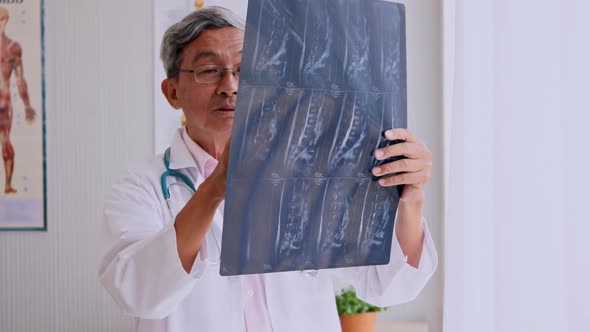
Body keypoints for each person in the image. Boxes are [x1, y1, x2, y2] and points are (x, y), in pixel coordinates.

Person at [99, 7, 437, 332]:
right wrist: (215, 187)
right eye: (208, 70)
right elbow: (137, 293)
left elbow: (388, 285)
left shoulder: (310, 174)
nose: (230, 86)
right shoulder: (142, 187)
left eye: (245, 70)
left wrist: (410, 195)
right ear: (172, 92)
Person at [0, 6, 35, 194]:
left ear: (6, 21)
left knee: (6, 141)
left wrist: (27, 105)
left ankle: (7, 184)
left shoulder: (13, 48)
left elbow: (20, 79)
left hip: (3, 104)